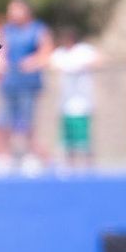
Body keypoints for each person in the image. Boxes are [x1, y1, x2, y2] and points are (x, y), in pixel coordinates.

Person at [0, 0, 53, 176]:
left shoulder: (38, 29)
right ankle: (4, 157)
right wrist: (0, 64)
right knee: (2, 121)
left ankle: (30, 156)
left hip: (29, 85)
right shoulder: (7, 30)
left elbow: (46, 52)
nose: (12, 14)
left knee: (28, 122)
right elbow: (0, 51)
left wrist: (33, 62)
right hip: (9, 84)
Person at [49, 26, 101, 167]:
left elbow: (100, 60)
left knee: (84, 143)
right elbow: (50, 64)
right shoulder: (60, 54)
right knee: (67, 142)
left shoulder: (83, 51)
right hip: (65, 105)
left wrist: (81, 65)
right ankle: (70, 168)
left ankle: (88, 167)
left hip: (82, 105)